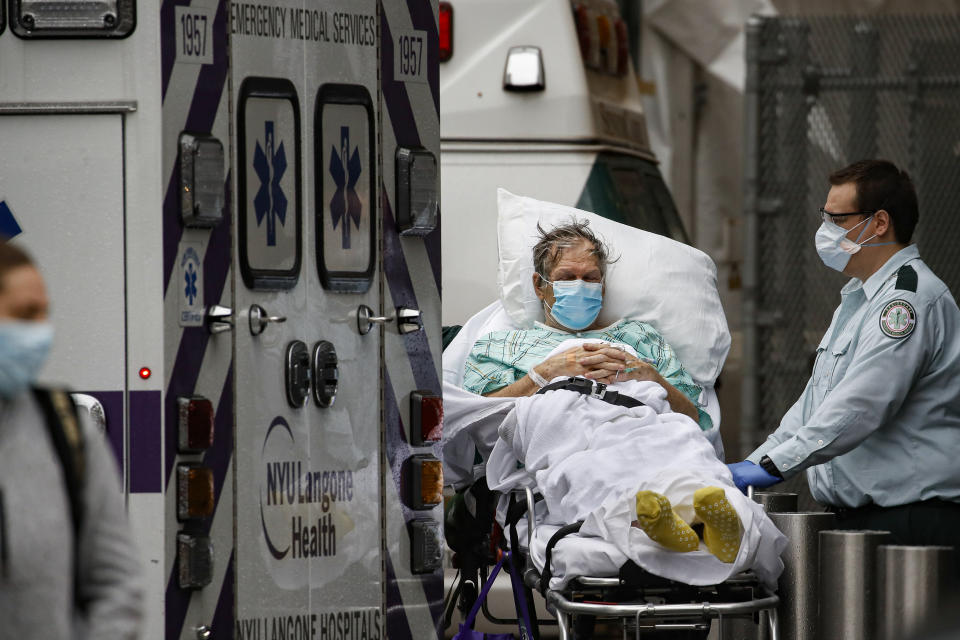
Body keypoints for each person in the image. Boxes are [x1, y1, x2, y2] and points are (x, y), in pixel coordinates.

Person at [728, 159, 960, 575]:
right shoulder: (857, 301)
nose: (826, 229)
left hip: (912, 523)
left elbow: (859, 407)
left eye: (837, 218)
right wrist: (754, 462)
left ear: (878, 223)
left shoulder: (906, 303)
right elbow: (813, 407)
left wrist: (772, 467)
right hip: (867, 521)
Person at [0, 241, 144, 638]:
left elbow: (117, 581)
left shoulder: (67, 430)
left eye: (44, 314)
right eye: (25, 315)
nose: (40, 332)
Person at [462, 220, 711, 430]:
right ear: (540, 286)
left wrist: (651, 377)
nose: (580, 285)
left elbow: (695, 420)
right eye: (567, 278)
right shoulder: (501, 346)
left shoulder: (642, 338)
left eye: (590, 278)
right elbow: (476, 420)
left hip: (647, 437)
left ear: (601, 287)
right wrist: (545, 372)